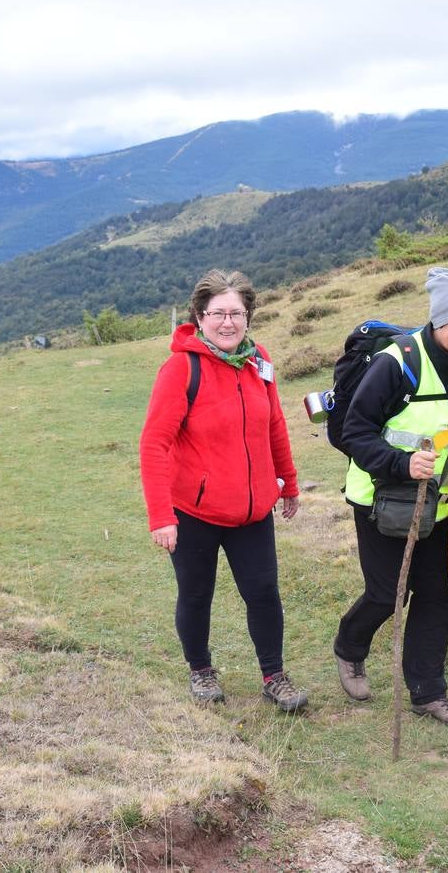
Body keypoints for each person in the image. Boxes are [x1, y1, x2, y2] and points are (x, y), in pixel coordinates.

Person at [333, 266, 448, 726]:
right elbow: (355, 431)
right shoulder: (397, 363)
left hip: (441, 502)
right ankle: (349, 646)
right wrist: (401, 464)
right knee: (389, 593)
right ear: (439, 319)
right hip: (379, 499)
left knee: (433, 596)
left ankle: (429, 694)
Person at [139, 269, 308, 712]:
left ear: (249, 316)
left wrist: (288, 483)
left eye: (237, 313)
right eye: (218, 313)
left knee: (264, 592)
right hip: (194, 512)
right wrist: (161, 516)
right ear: (199, 316)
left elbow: (274, 423)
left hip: (252, 510)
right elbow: (154, 443)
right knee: (196, 594)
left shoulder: (259, 361)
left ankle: (274, 675)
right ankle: (201, 670)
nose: (228, 322)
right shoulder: (181, 368)